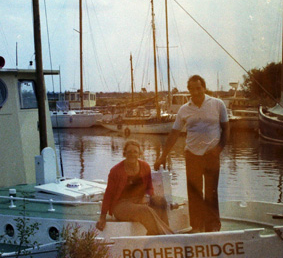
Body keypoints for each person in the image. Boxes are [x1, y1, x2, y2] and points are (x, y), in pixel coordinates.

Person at [154, 75, 229, 233]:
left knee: (211, 192)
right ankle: (196, 226)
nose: (195, 92)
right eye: (192, 89)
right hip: (192, 155)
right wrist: (163, 156)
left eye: (198, 88)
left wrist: (218, 149)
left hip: (212, 155)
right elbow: (174, 134)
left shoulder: (218, 104)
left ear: (204, 87)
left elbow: (226, 129)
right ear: (188, 90)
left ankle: (213, 226)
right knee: (194, 192)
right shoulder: (184, 109)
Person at [96, 140, 172, 235]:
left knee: (160, 201)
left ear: (139, 154)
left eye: (135, 152)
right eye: (129, 152)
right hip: (121, 206)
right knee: (145, 210)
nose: (132, 154)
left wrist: (150, 197)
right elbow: (108, 194)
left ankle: (157, 234)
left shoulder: (145, 166)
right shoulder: (115, 171)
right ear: (124, 154)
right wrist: (102, 217)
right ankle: (166, 235)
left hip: (139, 201)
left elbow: (149, 188)